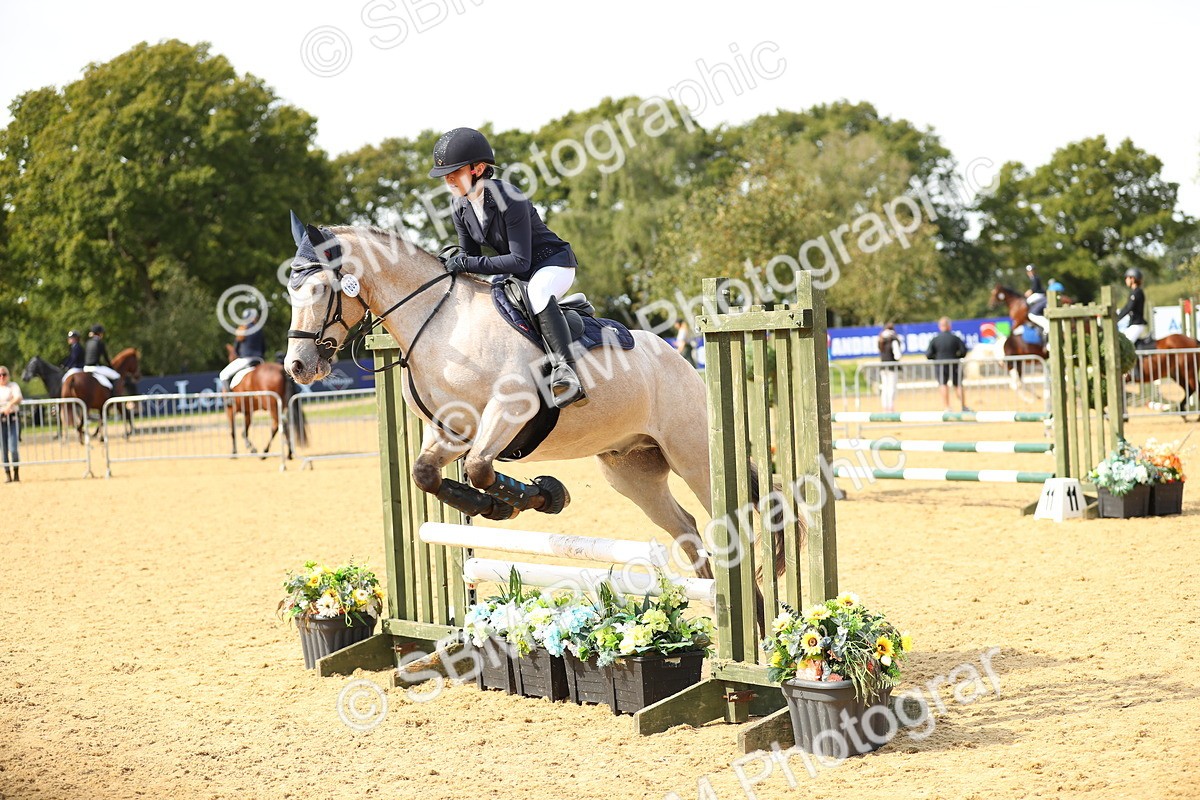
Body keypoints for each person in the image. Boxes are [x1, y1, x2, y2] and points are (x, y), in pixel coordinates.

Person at [429, 127, 587, 408]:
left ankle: (567, 373)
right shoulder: (459, 206)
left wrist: (466, 261)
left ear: (478, 168)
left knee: (538, 293)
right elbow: (470, 257)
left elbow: (520, 260)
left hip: (552, 263)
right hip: (517, 274)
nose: (448, 178)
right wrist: (450, 262)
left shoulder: (509, 197)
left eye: (455, 171)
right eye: (445, 174)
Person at [925, 317, 971, 413]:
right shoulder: (955, 338)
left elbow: (928, 354)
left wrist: (936, 358)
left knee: (943, 384)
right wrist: (957, 356)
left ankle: (947, 407)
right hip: (955, 364)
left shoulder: (935, 339)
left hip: (940, 365)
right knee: (958, 385)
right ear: (949, 326)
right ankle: (963, 406)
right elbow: (963, 351)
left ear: (940, 326)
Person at [219, 311, 267, 392]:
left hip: (245, 359)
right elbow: (264, 348)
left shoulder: (242, 329)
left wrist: (237, 353)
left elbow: (236, 350)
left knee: (223, 374)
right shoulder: (259, 329)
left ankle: (229, 398)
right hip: (260, 360)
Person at [0, 366, 21, 482]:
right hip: (1, 420)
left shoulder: (13, 386)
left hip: (13, 419)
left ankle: (16, 472)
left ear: (8, 375)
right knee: (3, 449)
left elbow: (18, 397)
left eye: (4, 374)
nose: (2, 377)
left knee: (13, 447)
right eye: (0, 375)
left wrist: (8, 404)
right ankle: (8, 474)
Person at [83, 324, 121, 390]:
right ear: (99, 333)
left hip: (85, 368)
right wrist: (111, 367)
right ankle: (113, 398)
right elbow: (105, 357)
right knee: (116, 376)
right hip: (95, 368)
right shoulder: (100, 342)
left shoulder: (88, 342)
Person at [1117, 267, 1149, 344]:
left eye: (1127, 278)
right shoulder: (1134, 292)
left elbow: (1129, 308)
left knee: (1126, 345)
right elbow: (1126, 307)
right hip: (1132, 324)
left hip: (1136, 325)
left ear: (1133, 279)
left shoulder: (1137, 292)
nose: (1126, 280)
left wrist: (1116, 318)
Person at [877, 323, 902, 412]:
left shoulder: (881, 339)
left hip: (883, 367)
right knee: (891, 387)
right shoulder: (894, 339)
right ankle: (891, 407)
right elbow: (897, 355)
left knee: (884, 387)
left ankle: (885, 407)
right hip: (892, 367)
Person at [1024, 264, 1049, 332]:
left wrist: (1029, 291)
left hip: (1039, 294)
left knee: (1028, 301)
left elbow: (1034, 288)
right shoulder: (1033, 278)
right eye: (1029, 271)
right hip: (1037, 294)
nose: (1030, 272)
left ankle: (1032, 312)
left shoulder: (1035, 278)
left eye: (1031, 271)